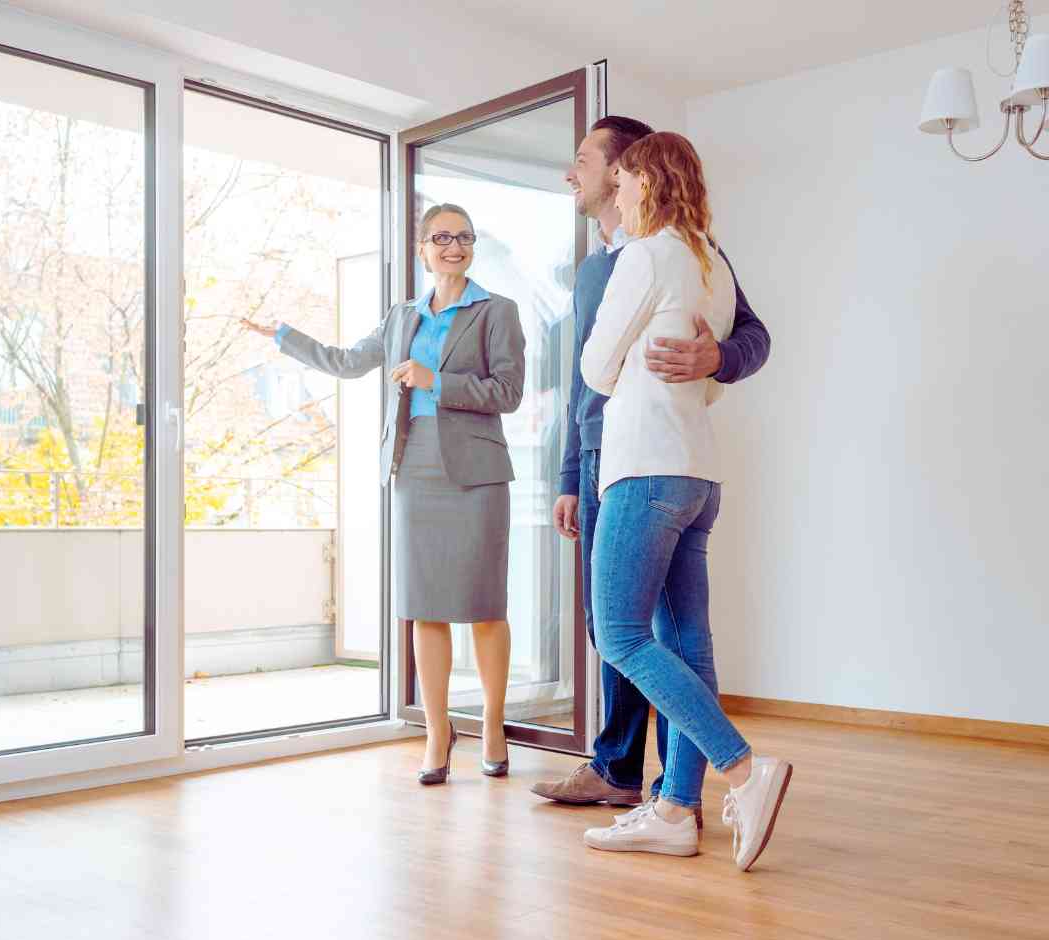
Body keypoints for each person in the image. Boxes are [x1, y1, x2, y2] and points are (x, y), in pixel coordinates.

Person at [532, 116, 773, 821]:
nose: (572, 172)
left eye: (585, 158)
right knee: (673, 633)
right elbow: (581, 393)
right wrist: (569, 474)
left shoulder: (657, 255)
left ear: (627, 172)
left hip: (641, 458)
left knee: (622, 631)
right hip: (668, 463)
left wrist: (717, 358)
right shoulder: (671, 260)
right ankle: (662, 796)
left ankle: (738, 770)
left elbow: (597, 367)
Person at [244, 204, 526, 785]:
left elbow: (509, 391)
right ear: (422, 249)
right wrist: (282, 335)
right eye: (441, 238)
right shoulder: (402, 317)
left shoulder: (498, 311)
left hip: (476, 472)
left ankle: (493, 724)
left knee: (484, 605)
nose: (454, 246)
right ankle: (437, 732)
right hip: (414, 465)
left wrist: (435, 381)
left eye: (463, 237)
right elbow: (348, 363)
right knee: (425, 605)